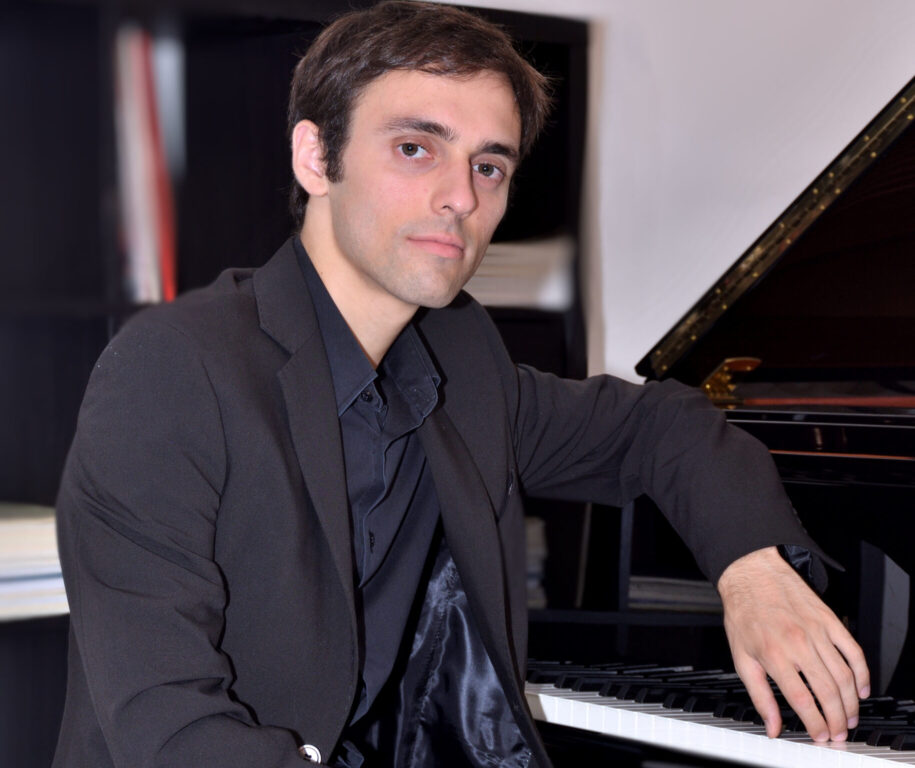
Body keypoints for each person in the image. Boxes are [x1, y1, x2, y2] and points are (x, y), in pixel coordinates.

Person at [52, 2, 869, 766]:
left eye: (488, 165)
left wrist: (753, 571)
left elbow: (660, 427)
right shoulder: (173, 370)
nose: (459, 198)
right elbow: (170, 726)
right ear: (316, 158)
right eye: (415, 148)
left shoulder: (458, 357)